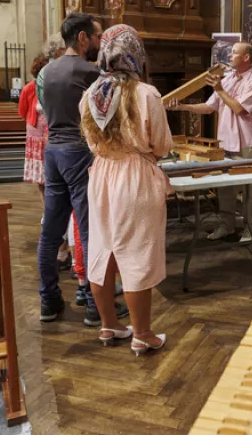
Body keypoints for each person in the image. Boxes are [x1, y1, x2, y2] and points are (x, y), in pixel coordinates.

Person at [80, 24, 172, 355]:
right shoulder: (145, 94)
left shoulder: (90, 94)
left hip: (102, 175)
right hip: (135, 178)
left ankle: (109, 325)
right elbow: (160, 145)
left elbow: (91, 142)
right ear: (135, 55)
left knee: (103, 250)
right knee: (136, 254)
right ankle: (142, 334)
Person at [37, 13, 128, 326]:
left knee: (51, 231)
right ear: (82, 38)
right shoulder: (90, 72)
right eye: (97, 36)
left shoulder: (45, 71)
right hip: (79, 150)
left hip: (52, 151)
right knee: (91, 231)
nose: (101, 42)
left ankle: (48, 300)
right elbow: (108, 116)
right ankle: (94, 305)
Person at [166, 42, 252, 242]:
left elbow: (239, 109)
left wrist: (219, 89)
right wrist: (182, 107)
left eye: (234, 52)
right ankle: (227, 225)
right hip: (224, 142)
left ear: (246, 57)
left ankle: (251, 227)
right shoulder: (227, 80)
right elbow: (209, 107)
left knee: (248, 187)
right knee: (224, 187)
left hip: (245, 142)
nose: (230, 56)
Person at [18, 52, 73, 271]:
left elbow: (24, 112)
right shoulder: (33, 88)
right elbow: (24, 110)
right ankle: (60, 244)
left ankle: (60, 241)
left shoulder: (40, 87)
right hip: (43, 139)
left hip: (46, 138)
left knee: (50, 187)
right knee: (49, 187)